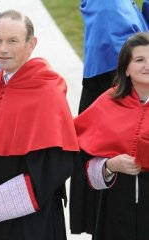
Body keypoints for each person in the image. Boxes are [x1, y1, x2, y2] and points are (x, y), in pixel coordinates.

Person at [0, 10, 79, 240]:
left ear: (31, 44)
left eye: (12, 41)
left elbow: (55, 166)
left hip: (30, 221)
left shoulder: (47, 92)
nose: (2, 49)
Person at [70, 0, 149, 235]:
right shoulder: (107, 104)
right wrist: (110, 166)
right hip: (116, 214)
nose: (146, 66)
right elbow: (89, 167)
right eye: (139, 61)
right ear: (125, 67)